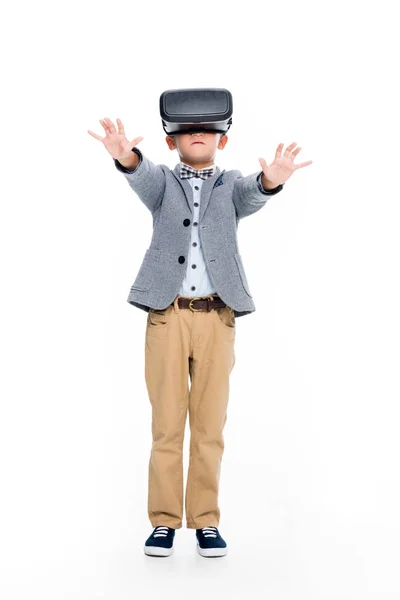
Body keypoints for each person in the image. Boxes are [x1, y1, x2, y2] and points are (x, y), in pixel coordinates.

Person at [88, 117, 312, 557]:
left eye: (207, 129)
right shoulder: (163, 186)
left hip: (216, 317)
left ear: (222, 139)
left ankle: (206, 520)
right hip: (167, 317)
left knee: (210, 425)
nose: (198, 133)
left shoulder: (230, 187)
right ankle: (165, 522)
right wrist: (124, 156)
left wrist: (271, 181)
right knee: (166, 425)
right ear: (171, 141)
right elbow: (141, 171)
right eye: (187, 129)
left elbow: (253, 191)